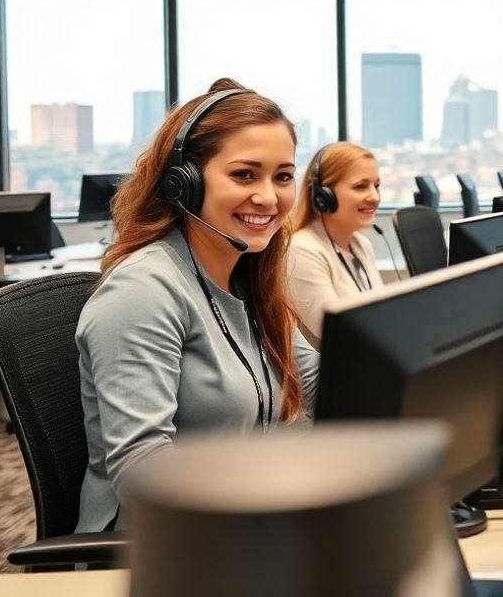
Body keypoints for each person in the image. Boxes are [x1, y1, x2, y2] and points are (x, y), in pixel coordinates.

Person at [75, 79, 319, 533]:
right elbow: (143, 473)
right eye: (244, 174)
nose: (268, 197)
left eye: (282, 176)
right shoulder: (143, 291)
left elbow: (321, 382)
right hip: (152, 552)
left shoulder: (248, 280)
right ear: (182, 182)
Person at [286, 142, 384, 349]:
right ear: (323, 196)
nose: (374, 197)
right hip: (334, 376)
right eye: (360, 186)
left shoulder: (360, 243)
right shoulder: (301, 251)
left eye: (376, 185)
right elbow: (342, 338)